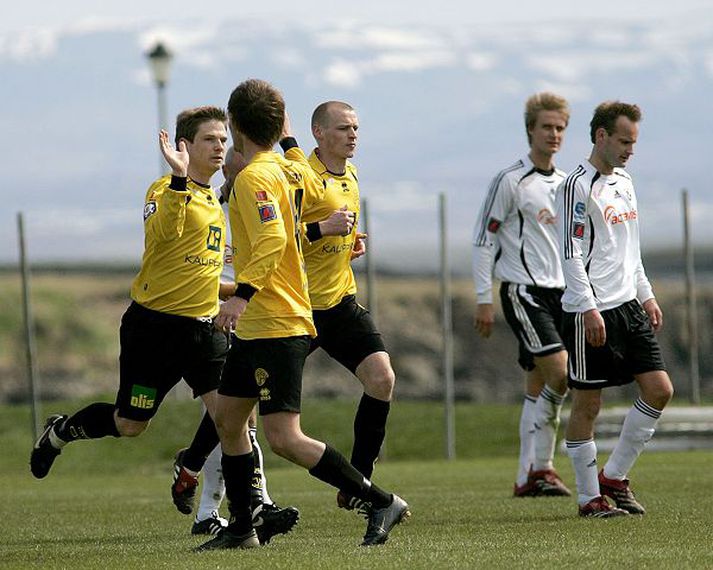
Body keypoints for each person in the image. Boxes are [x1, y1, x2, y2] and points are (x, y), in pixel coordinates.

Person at [196, 79, 409, 551]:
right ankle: (242, 526)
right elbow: (298, 178)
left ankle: (377, 500)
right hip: (261, 324)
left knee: (284, 437)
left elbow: (274, 239)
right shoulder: (289, 168)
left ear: (234, 126)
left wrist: (240, 296)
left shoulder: (256, 178)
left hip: (276, 319)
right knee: (230, 421)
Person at [30, 106, 230, 482]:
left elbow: (203, 274)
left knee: (230, 415)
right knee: (130, 424)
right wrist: (178, 178)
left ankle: (207, 483)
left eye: (223, 139)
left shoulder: (213, 203)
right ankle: (59, 432)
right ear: (184, 145)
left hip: (203, 330)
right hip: (154, 330)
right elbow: (163, 234)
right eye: (209, 139)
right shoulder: (164, 189)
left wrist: (250, 290)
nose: (219, 146)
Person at [172, 146, 299, 540]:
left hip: (248, 317)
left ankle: (210, 491)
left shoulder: (252, 201)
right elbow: (191, 273)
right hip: (213, 320)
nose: (228, 156)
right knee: (234, 420)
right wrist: (238, 292)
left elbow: (282, 244)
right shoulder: (209, 205)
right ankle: (231, 506)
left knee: (237, 419)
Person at [555, 101, 673, 517]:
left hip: (629, 305)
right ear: (601, 136)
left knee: (660, 389)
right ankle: (590, 499)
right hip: (593, 311)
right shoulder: (575, 185)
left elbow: (630, 250)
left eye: (634, 142)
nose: (629, 150)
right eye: (624, 141)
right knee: (588, 405)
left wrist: (646, 294)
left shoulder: (625, 180)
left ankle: (615, 476)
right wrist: (587, 308)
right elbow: (569, 252)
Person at [290, 100, 392, 513]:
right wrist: (321, 228)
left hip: (339, 302)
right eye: (343, 128)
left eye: (356, 128)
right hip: (296, 308)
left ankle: (358, 480)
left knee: (382, 378)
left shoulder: (350, 175)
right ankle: (193, 463)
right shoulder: (299, 177)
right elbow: (273, 238)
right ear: (318, 133)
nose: (352, 135)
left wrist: (347, 246)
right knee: (242, 404)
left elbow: (330, 240)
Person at [472, 92, 572, 497]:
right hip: (524, 292)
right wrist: (484, 297)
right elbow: (483, 240)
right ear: (530, 129)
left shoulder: (567, 184)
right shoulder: (511, 180)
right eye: (546, 126)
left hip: (562, 296)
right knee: (562, 376)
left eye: (560, 128)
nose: (553, 134)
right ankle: (543, 468)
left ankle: (524, 477)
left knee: (537, 387)